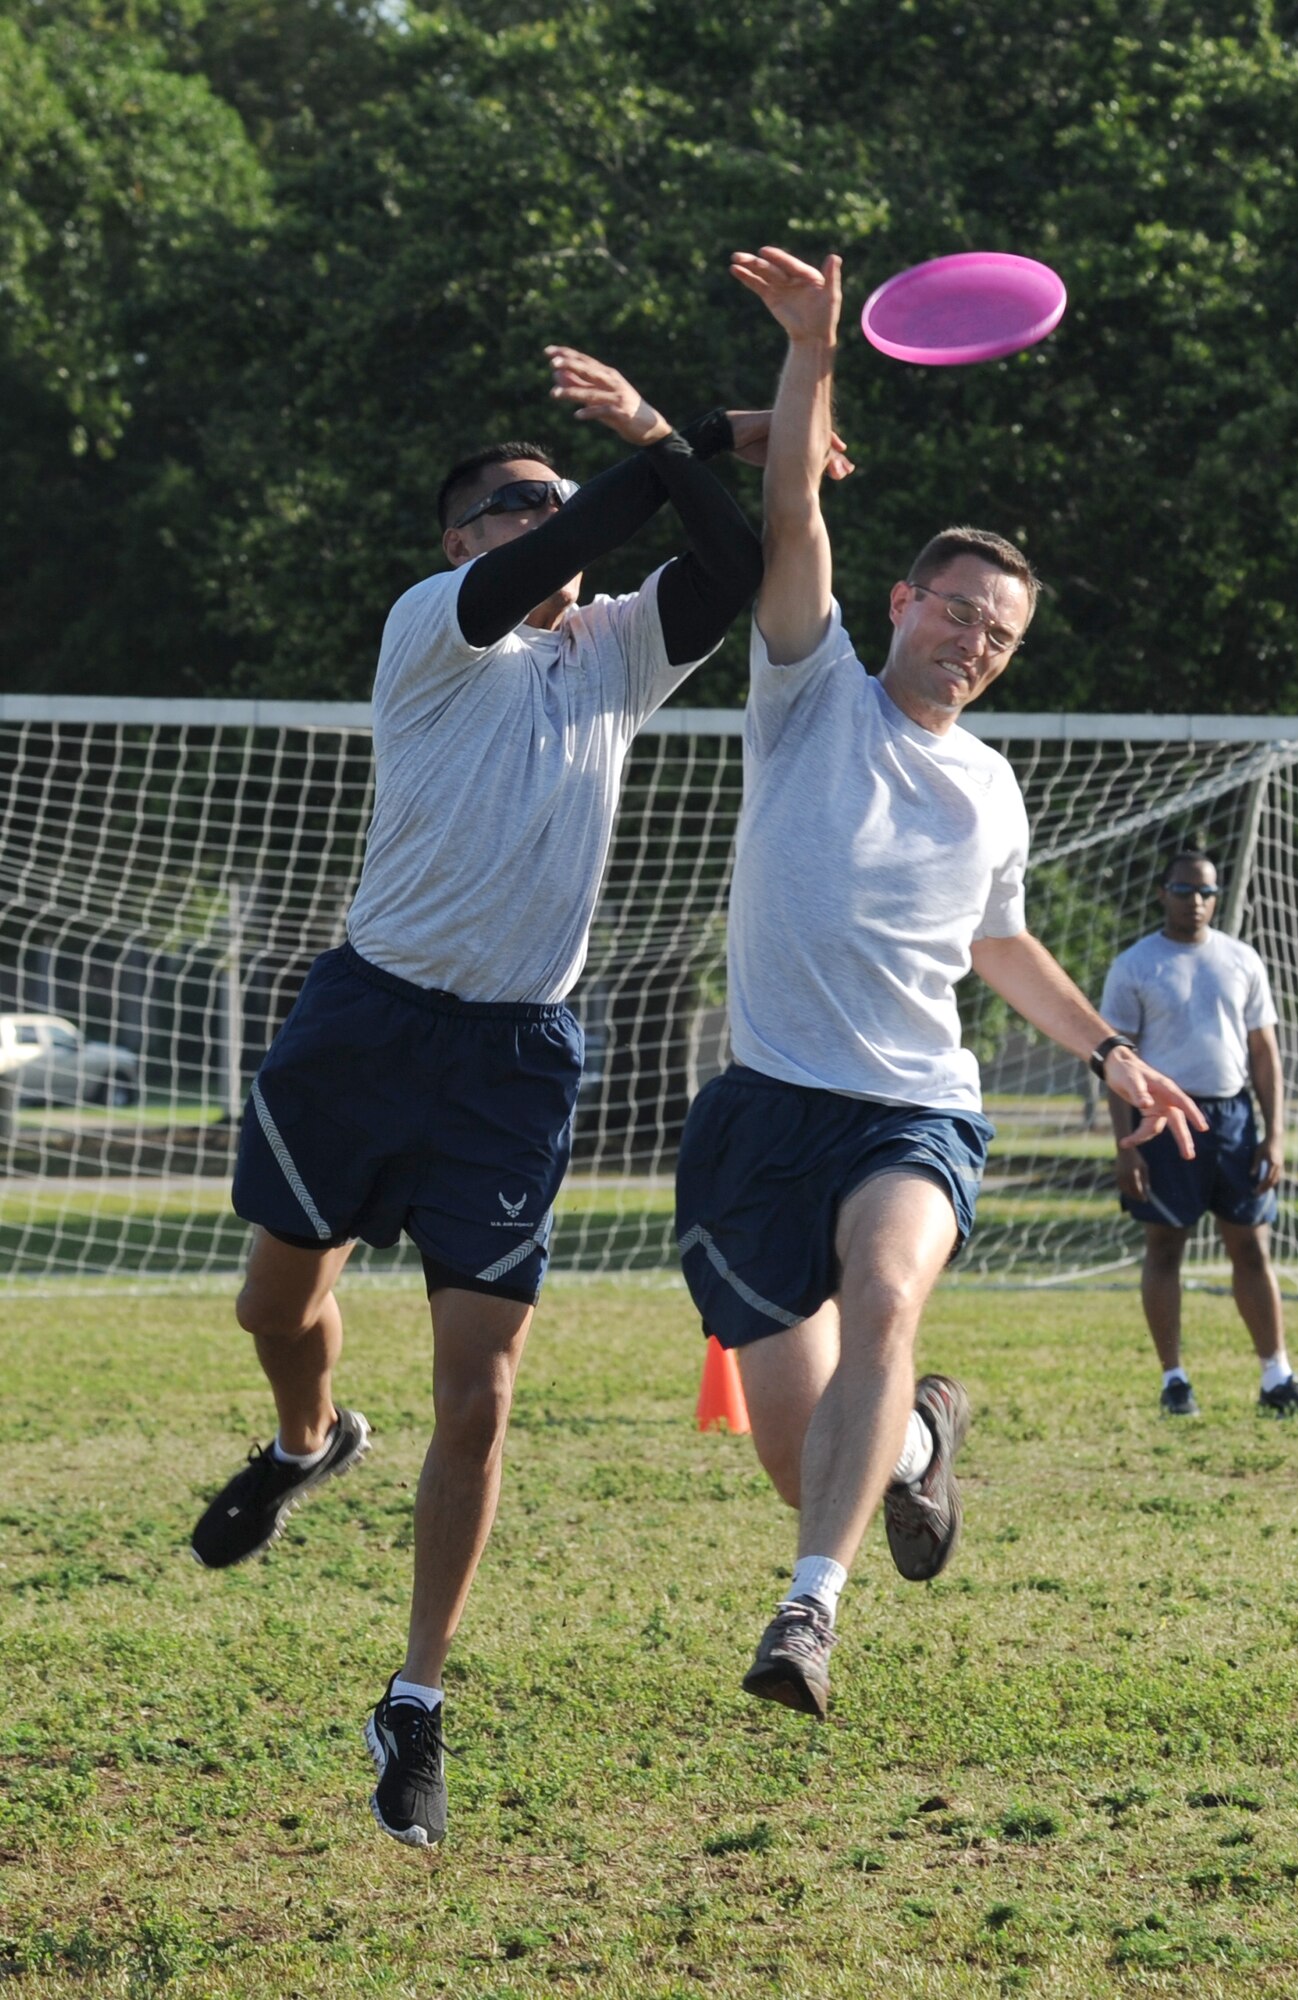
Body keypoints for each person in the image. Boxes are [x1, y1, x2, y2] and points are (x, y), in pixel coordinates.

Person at [189, 345, 790, 1847]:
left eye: (557, 490)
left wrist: (677, 440)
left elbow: (742, 554)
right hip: (365, 1023)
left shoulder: (617, 651)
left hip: (517, 1060)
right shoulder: (433, 632)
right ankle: (306, 1443)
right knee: (276, 1310)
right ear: (461, 543)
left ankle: (417, 1702)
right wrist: (704, 430)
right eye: (515, 503)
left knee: (485, 1390)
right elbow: (588, 530)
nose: (552, 516)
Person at [674, 246, 1209, 1721]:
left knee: (889, 1283)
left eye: (1002, 635)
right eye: (959, 613)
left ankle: (808, 1616)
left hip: (912, 1108)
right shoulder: (807, 692)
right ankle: (918, 1446)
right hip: (765, 1110)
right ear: (902, 600)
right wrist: (813, 350)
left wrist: (1110, 1051)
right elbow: (790, 510)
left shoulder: (991, 790)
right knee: (804, 1449)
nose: (976, 643)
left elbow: (998, 944)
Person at [1100, 847, 1298, 1420]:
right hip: (1164, 1122)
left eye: (1206, 892)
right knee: (1166, 1247)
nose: (1196, 902)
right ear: (1162, 893)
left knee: (1251, 1247)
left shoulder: (1242, 959)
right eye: (1184, 891)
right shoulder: (1135, 965)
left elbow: (1264, 1052)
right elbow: (1118, 1065)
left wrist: (1273, 1135)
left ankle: (1277, 1377)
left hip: (1232, 1121)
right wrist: (1125, 1146)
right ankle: (1174, 1381)